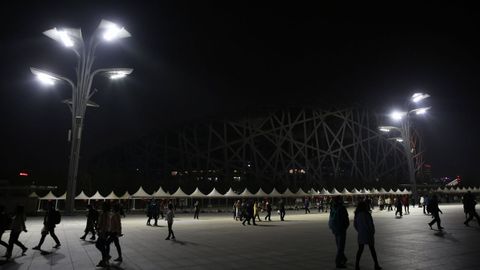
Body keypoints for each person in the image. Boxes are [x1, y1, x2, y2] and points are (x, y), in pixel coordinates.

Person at [354, 201, 382, 270]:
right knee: (372, 249)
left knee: (360, 250)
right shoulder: (367, 214)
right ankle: (376, 264)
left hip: (361, 234)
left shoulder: (357, 215)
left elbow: (355, 225)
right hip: (368, 234)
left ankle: (357, 265)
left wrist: (359, 230)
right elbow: (370, 225)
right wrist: (372, 232)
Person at [329, 196, 349, 269]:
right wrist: (345, 227)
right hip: (341, 229)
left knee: (339, 245)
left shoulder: (333, 208)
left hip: (335, 229)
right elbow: (346, 219)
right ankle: (338, 262)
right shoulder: (342, 208)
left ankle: (343, 258)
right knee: (341, 247)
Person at [95, 202, 112, 267]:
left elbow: (106, 224)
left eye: (103, 206)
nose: (102, 207)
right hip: (104, 232)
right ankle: (104, 261)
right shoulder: (105, 213)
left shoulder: (105, 214)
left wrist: (103, 232)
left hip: (104, 233)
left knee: (98, 245)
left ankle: (106, 257)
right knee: (102, 246)